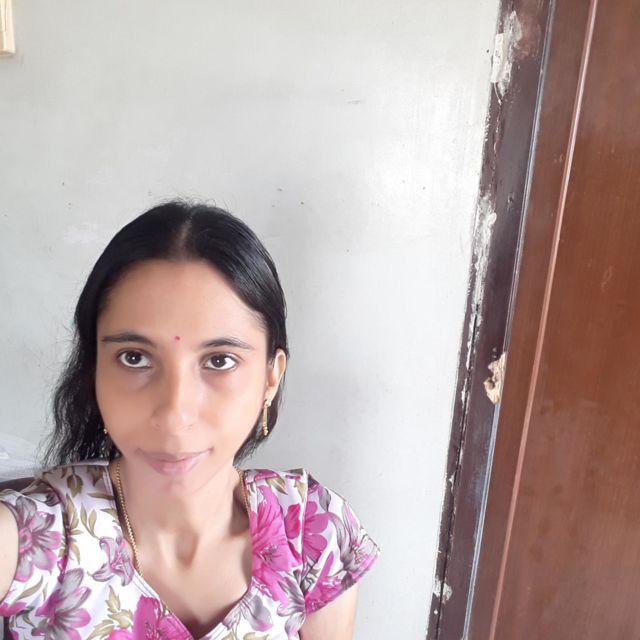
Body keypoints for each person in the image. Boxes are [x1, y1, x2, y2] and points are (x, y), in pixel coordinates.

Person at [0, 202, 379, 639]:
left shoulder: (313, 533)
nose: (174, 416)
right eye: (134, 358)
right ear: (94, 372)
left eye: (219, 360)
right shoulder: (39, 537)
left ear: (270, 378)